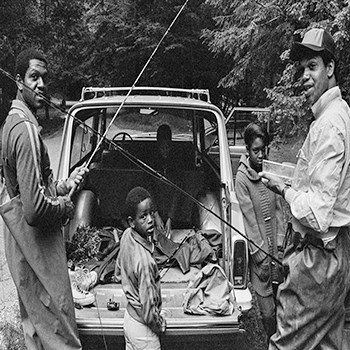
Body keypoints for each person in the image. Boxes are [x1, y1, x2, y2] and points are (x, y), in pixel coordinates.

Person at [260, 28, 350, 349]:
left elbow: (317, 212)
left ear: (330, 68)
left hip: (317, 261)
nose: (305, 76)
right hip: (333, 258)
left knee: (285, 344)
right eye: (302, 69)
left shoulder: (329, 126)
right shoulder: (336, 116)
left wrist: (284, 190)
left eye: (312, 66)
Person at [0, 48, 88, 349]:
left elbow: (31, 188)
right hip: (34, 244)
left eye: (44, 78)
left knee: (35, 327)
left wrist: (63, 185)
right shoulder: (24, 130)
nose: (41, 85)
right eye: (33, 77)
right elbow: (35, 210)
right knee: (58, 330)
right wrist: (65, 206)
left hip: (22, 243)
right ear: (17, 80)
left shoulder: (14, 121)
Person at [235, 122, 285, 340]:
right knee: (267, 311)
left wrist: (282, 243)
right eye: (256, 151)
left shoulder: (269, 172)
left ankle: (280, 339)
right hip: (262, 254)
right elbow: (249, 221)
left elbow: (279, 210)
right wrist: (261, 254)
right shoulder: (242, 179)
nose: (260, 155)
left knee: (282, 302)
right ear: (247, 150)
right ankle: (269, 339)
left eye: (263, 149)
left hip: (278, 248)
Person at [118, 186, 166, 349]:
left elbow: (118, 271)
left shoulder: (126, 235)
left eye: (151, 213)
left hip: (129, 319)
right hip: (144, 332)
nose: (151, 220)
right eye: (143, 217)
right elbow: (148, 311)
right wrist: (159, 324)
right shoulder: (145, 262)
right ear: (132, 221)